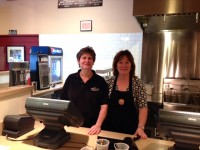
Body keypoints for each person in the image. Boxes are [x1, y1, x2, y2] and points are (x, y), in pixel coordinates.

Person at [60, 46, 109, 135]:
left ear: (93, 62)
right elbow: (63, 103)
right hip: (72, 126)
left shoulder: (100, 81)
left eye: (90, 58)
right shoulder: (71, 79)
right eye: (84, 58)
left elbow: (104, 106)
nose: (87, 60)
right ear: (78, 61)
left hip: (93, 128)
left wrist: (98, 125)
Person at [104, 50, 148, 139]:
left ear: (131, 65)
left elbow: (143, 107)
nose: (124, 65)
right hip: (109, 129)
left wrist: (141, 127)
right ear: (116, 65)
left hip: (131, 130)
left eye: (127, 62)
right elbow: (103, 105)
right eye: (120, 62)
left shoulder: (138, 83)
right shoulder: (109, 82)